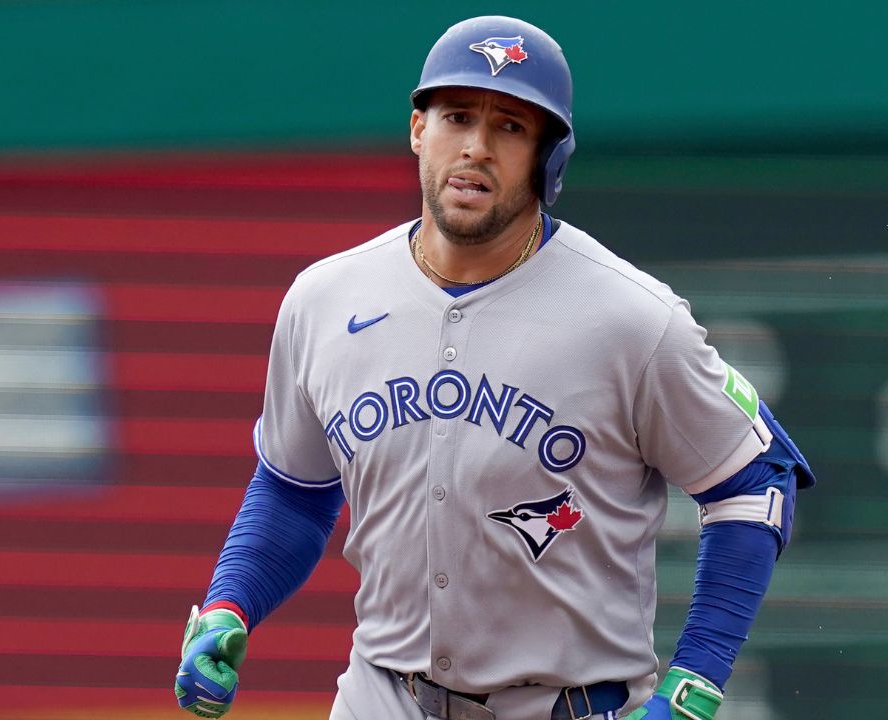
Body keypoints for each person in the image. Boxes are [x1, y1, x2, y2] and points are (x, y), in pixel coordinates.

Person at [174, 15, 815, 720]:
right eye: (457, 117)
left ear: (548, 157)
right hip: (382, 696)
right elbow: (294, 489)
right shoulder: (325, 299)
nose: (476, 147)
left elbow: (755, 481)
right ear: (418, 129)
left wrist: (694, 686)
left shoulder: (630, 317)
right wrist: (229, 604)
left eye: (510, 127)